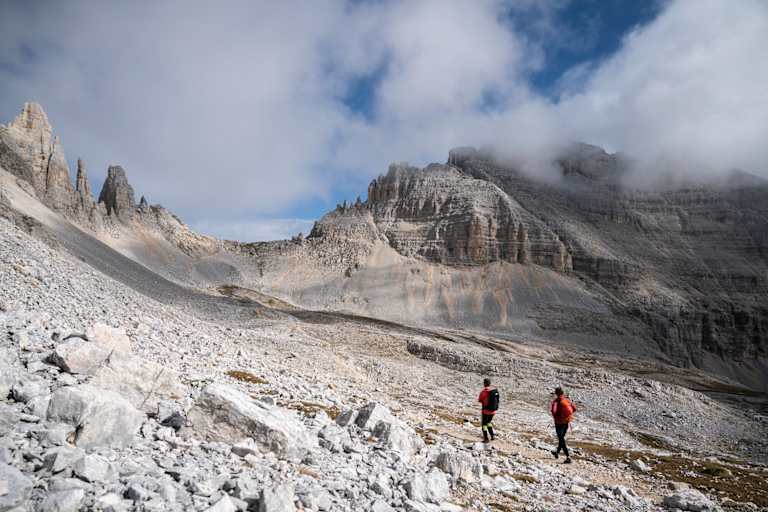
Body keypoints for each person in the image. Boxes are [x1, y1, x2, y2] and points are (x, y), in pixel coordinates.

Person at [550, 386, 575, 463]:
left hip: (559, 423)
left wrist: (556, 417)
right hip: (566, 422)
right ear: (562, 392)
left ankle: (568, 457)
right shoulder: (567, 400)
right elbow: (574, 409)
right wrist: (566, 416)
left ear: (556, 393)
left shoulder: (556, 401)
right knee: (561, 438)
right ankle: (557, 453)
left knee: (561, 439)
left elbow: (553, 411)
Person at [477, 378, 499, 442]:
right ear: (490, 383)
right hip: (493, 411)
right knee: (489, 422)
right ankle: (492, 436)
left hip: (485, 411)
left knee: (484, 425)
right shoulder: (494, 390)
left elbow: (480, 400)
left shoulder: (483, 392)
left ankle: (486, 438)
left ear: (484, 384)